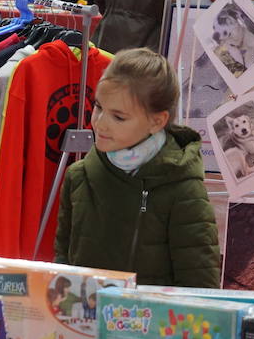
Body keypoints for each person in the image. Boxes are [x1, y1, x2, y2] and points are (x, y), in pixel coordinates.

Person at [54, 48, 221, 288]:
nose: (99, 123)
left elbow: (200, 290)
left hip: (155, 323)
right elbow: (63, 267)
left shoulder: (184, 191)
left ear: (157, 121)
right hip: (85, 322)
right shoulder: (78, 176)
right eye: (98, 107)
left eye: (118, 117)